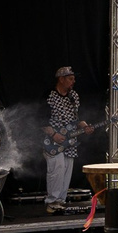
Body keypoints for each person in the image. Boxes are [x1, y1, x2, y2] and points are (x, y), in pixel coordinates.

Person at [44, 65, 84, 211]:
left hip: (69, 139)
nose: (73, 82)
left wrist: (83, 125)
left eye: (74, 79)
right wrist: (53, 134)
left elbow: (76, 118)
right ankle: (52, 201)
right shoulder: (50, 95)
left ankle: (60, 200)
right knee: (57, 167)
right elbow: (41, 119)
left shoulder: (73, 96)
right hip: (52, 140)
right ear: (61, 79)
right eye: (70, 79)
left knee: (67, 168)